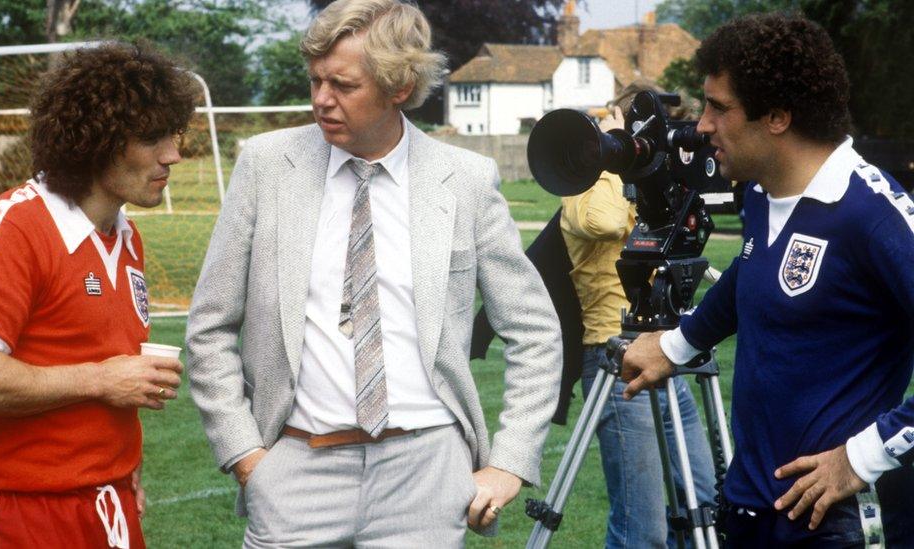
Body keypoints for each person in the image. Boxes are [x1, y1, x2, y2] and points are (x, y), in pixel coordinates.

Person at [184, 0, 562, 545]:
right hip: (294, 469)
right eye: (315, 80)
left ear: (400, 87)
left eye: (342, 85)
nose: (321, 100)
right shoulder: (266, 165)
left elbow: (534, 331)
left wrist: (511, 460)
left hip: (427, 476)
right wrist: (245, 454)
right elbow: (210, 324)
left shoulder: (466, 180)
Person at [621, 13, 914, 546]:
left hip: (836, 524)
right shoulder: (761, 193)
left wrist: (864, 456)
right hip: (750, 508)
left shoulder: (872, 213)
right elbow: (748, 276)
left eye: (719, 107)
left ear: (777, 117)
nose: (703, 124)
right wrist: (676, 344)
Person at [0, 43, 198, 548]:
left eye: (174, 134)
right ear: (96, 141)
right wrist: (101, 380)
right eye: (151, 138)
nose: (173, 154)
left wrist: (124, 464)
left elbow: (101, 366)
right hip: (22, 516)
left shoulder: (126, 238)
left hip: (109, 508)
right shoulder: (15, 227)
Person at [560, 86, 716, 548]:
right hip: (616, 358)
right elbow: (604, 222)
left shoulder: (656, 192)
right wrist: (610, 150)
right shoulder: (582, 185)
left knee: (704, 501)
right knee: (642, 527)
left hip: (667, 352)